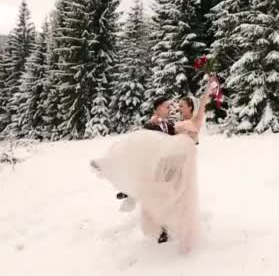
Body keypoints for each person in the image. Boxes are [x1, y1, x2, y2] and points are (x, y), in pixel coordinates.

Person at [90, 78, 216, 254]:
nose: (174, 109)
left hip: (173, 166)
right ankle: (113, 169)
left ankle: (163, 223)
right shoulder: (153, 124)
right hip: (158, 165)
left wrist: (207, 93)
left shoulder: (175, 124)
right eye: (169, 106)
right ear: (157, 109)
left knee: (166, 196)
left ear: (190, 108)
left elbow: (189, 128)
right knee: (155, 190)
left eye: (178, 106)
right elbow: (144, 148)